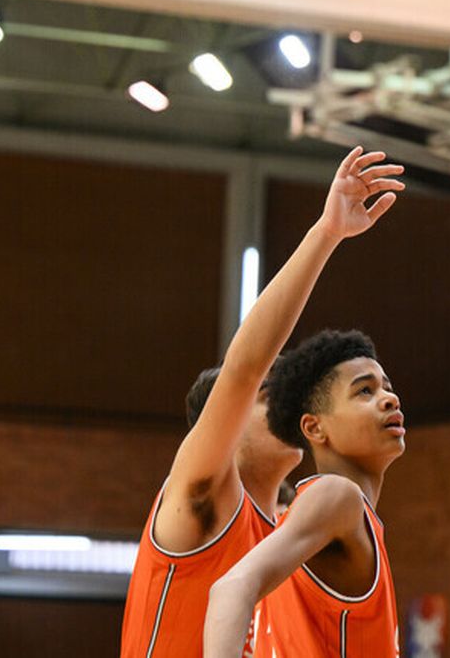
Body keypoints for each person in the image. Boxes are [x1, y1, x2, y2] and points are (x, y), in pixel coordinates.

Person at [120, 148, 404, 657]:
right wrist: (327, 233)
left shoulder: (291, 532)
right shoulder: (200, 497)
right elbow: (244, 368)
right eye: (266, 398)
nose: (284, 408)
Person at [203, 330, 406, 657]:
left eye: (387, 387)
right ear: (314, 428)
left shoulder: (334, 515)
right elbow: (231, 587)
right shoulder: (335, 495)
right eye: (364, 391)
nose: (389, 398)